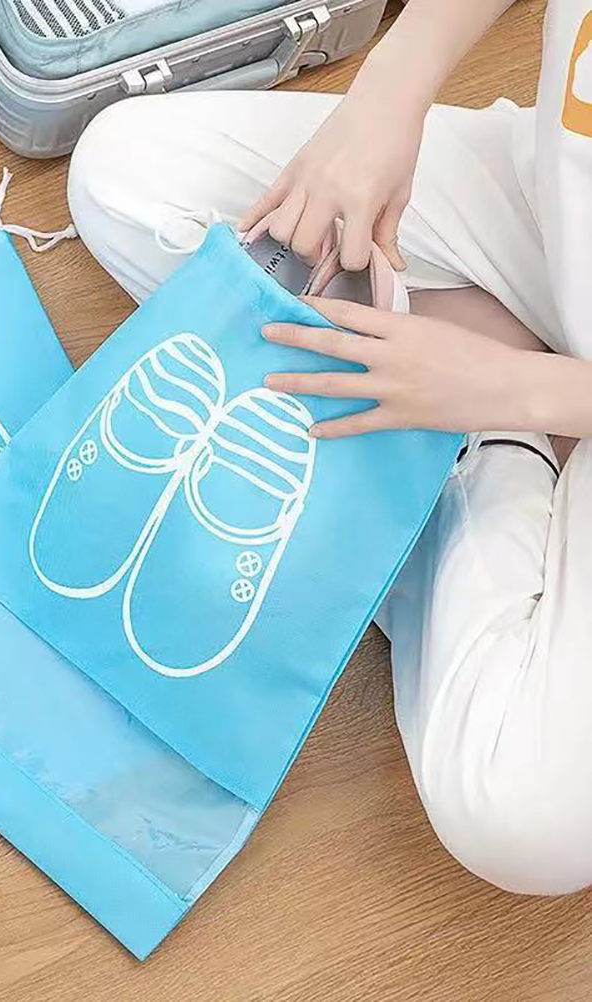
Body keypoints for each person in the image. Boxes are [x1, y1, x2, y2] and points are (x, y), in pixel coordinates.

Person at [67, 0, 592, 897]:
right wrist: (392, 88)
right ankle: (453, 382)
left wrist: (513, 392)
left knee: (521, 822)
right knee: (123, 177)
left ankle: (494, 441)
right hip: (555, 211)